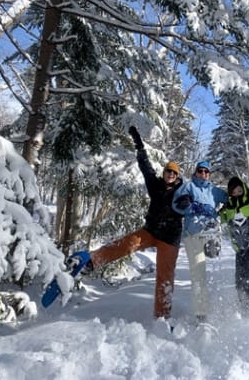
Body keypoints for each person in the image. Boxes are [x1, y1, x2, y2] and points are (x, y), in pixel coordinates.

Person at [79, 126, 184, 320]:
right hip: (151, 231)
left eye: (174, 173)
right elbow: (145, 167)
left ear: (177, 176)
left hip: (170, 239)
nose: (170, 174)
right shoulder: (156, 185)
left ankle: (162, 316)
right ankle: (92, 262)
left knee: (165, 278)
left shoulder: (183, 191)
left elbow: (199, 201)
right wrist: (139, 146)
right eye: (168, 171)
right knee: (125, 244)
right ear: (164, 173)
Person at [172, 161, 227, 322]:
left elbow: (231, 198)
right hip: (193, 234)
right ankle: (201, 314)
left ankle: (221, 305)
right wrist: (193, 207)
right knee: (198, 274)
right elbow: (176, 204)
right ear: (196, 172)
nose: (203, 174)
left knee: (216, 267)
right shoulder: (188, 187)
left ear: (209, 174)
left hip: (210, 233)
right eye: (200, 171)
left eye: (206, 172)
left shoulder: (214, 190)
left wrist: (219, 213)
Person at [219, 176, 249, 316]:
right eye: (233, 192)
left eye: (239, 190)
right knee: (241, 277)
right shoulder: (227, 209)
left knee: (246, 245)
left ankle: (248, 307)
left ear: (244, 189)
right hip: (241, 249)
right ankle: (247, 307)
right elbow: (217, 220)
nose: (237, 193)